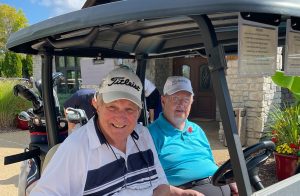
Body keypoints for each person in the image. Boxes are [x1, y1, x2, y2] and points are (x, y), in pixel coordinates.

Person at [30, 67, 202, 196]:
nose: (120, 118)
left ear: (139, 110)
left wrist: (180, 193)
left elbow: (159, 185)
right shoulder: (77, 148)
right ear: (96, 104)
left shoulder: (143, 135)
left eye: (130, 109)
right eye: (112, 107)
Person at [148, 76, 239, 196]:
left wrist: (227, 178)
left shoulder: (197, 130)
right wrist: (180, 193)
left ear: (191, 102)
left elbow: (209, 161)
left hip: (219, 183)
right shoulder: (150, 134)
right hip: (186, 190)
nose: (181, 104)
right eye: (175, 98)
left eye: (186, 100)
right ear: (163, 101)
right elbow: (147, 181)